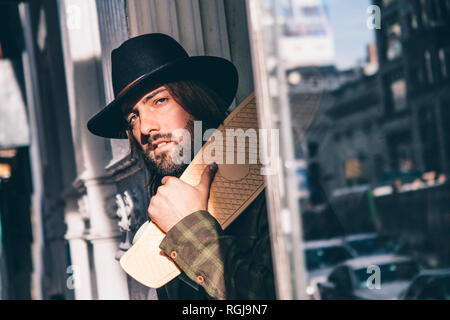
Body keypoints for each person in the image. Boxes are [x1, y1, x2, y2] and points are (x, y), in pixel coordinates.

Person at [87, 33, 275, 300]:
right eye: (133, 117)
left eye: (159, 100)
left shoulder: (267, 183)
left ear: (195, 99)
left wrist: (189, 228)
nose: (144, 128)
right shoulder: (163, 203)